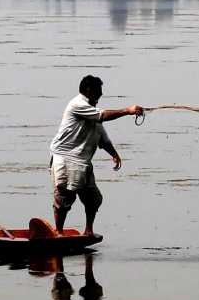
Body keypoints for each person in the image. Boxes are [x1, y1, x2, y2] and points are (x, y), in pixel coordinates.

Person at [49, 75, 143, 237]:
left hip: (82, 161)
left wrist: (114, 154)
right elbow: (102, 116)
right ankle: (58, 232)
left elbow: (102, 136)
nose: (101, 94)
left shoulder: (91, 110)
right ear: (89, 91)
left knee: (93, 199)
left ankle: (88, 231)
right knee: (64, 197)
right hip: (65, 158)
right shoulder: (78, 104)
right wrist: (127, 111)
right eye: (98, 91)